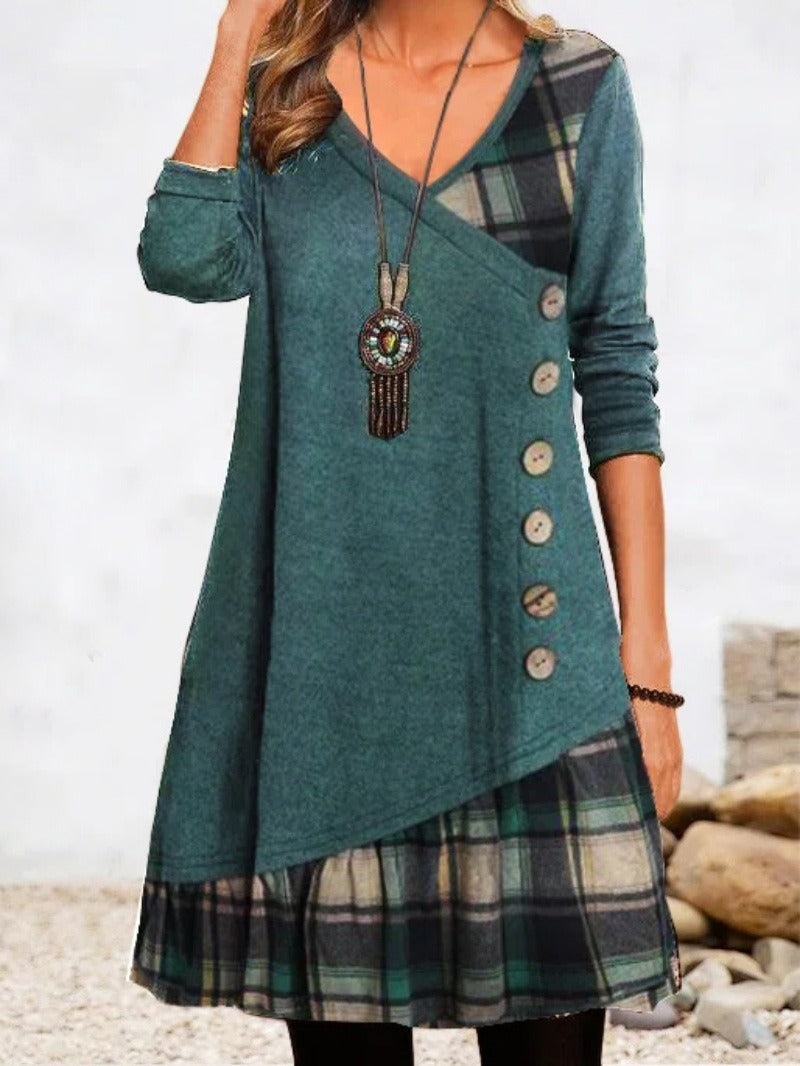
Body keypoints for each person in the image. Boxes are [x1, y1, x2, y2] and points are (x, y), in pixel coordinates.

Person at [127, 1, 685, 1062]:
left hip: (529, 670)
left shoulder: (576, 91)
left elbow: (615, 361)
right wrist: (238, 35)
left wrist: (646, 667)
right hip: (328, 681)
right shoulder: (287, 91)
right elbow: (184, 256)